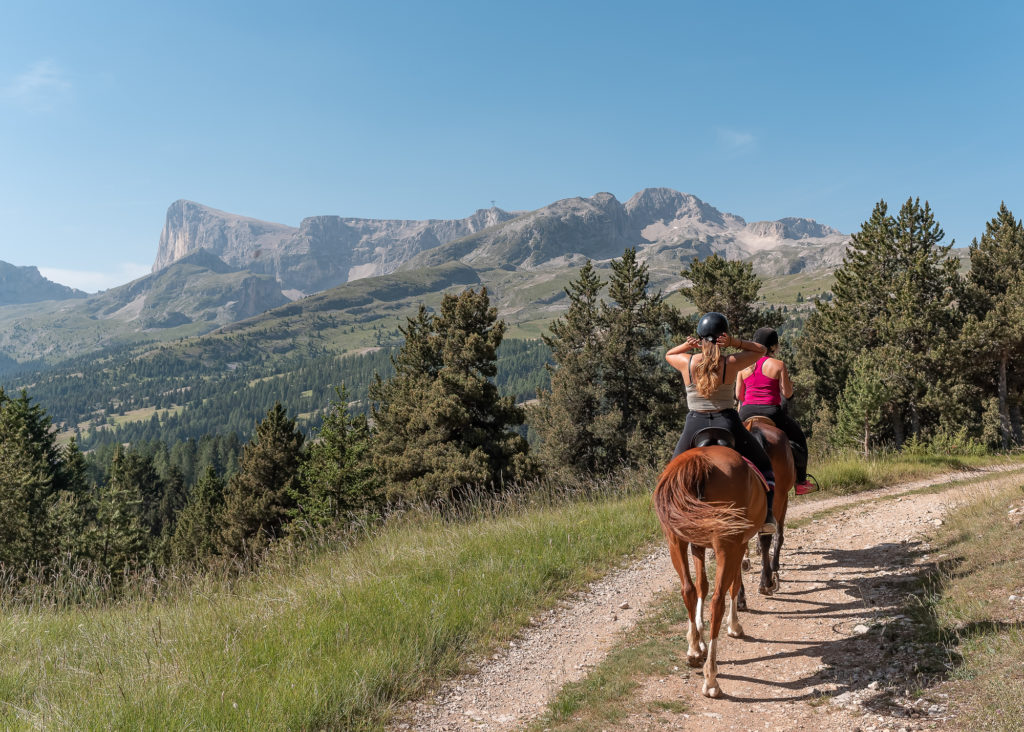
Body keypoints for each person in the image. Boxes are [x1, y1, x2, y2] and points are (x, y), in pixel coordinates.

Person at [665, 312, 778, 535]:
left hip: (695, 423)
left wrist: (688, 345)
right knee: (764, 465)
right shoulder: (731, 362)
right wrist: (734, 342)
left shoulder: (687, 363)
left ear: (700, 337)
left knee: (669, 474)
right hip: (727, 422)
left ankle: (670, 518)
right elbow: (761, 350)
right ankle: (767, 516)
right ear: (722, 337)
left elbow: (669, 354)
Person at [736, 327, 817, 495]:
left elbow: (739, 395)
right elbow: (787, 393)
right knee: (799, 438)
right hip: (771, 411)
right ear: (773, 347)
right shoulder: (778, 365)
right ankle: (801, 482)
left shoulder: (743, 367)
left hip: (746, 412)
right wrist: (790, 386)